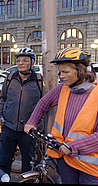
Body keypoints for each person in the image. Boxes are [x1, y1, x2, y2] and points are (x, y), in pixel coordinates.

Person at [24, 47, 98, 184]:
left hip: (90, 167)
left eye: (65, 72)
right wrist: (31, 122)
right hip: (65, 159)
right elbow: (43, 103)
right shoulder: (62, 88)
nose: (61, 76)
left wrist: (73, 147)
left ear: (80, 71)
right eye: (60, 72)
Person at [0, 47, 43, 175]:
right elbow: (3, 98)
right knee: (3, 162)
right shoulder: (10, 78)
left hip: (28, 131)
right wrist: (0, 115)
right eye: (18, 60)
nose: (20, 63)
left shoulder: (38, 80)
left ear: (32, 62)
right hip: (9, 127)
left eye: (25, 60)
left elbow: (43, 105)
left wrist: (38, 125)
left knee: (28, 165)